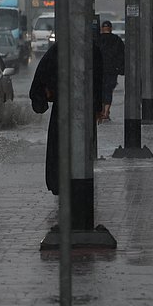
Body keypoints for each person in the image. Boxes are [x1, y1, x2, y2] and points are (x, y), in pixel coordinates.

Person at [28, 35, 104, 195]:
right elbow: (97, 81)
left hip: (64, 108)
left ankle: (62, 183)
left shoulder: (60, 49)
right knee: (79, 146)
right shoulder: (91, 50)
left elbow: (42, 75)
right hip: (84, 108)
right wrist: (98, 107)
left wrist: (48, 92)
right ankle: (77, 183)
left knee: (60, 146)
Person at [96, 20, 125, 121]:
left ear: (101, 28)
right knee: (108, 90)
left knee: (100, 90)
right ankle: (106, 111)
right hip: (112, 69)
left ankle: (102, 110)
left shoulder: (97, 40)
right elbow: (122, 55)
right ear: (111, 29)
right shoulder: (117, 40)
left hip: (99, 69)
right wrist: (121, 68)